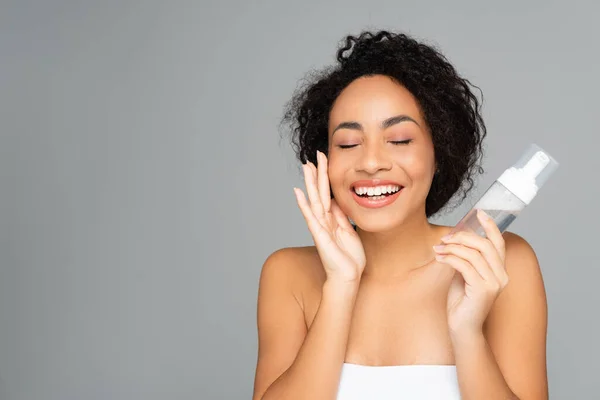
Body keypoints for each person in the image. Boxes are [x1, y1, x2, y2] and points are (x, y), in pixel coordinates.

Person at [252, 31, 547, 400]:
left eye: (400, 140)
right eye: (348, 143)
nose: (372, 162)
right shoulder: (288, 274)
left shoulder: (502, 261)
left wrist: (468, 332)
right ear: (323, 160)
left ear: (439, 152)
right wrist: (341, 287)